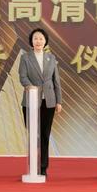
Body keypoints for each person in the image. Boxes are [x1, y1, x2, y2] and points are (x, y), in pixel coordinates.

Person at [18, 28, 62, 176]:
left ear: (45, 41)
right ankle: (33, 165)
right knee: (33, 134)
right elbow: (22, 77)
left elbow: (56, 81)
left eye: (41, 38)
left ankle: (43, 167)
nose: (38, 41)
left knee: (45, 134)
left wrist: (59, 101)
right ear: (31, 41)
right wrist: (30, 87)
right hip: (30, 101)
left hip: (48, 102)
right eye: (35, 38)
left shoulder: (51, 58)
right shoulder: (25, 57)